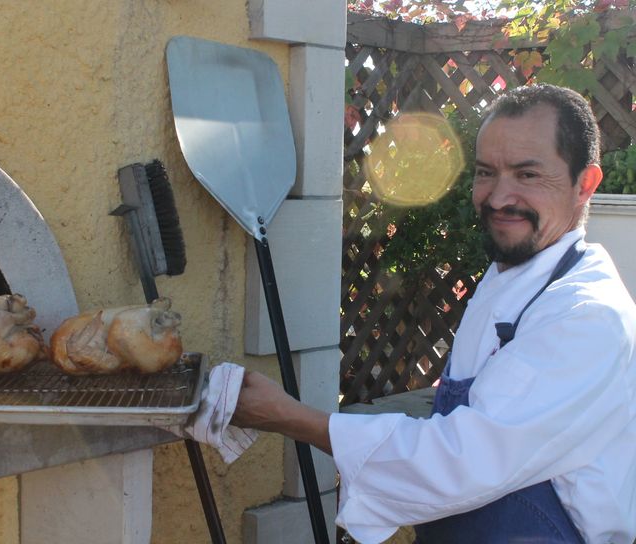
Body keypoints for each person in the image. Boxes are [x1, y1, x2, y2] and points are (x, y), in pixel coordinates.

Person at [232, 84, 636, 544]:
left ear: (585, 184)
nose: (499, 197)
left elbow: (460, 461)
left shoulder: (586, 318)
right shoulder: (516, 278)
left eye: (527, 175)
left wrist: (289, 417)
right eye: (486, 173)